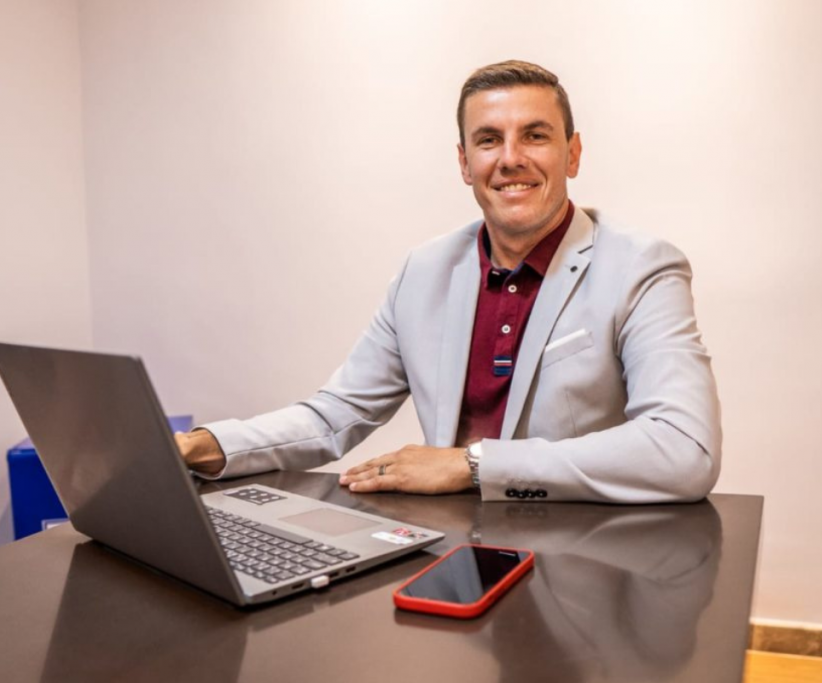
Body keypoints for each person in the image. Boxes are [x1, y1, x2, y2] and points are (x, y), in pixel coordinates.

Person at [176, 60, 721, 503]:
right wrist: (198, 447)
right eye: (488, 140)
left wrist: (471, 464)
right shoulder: (424, 271)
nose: (511, 159)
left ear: (572, 154)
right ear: (464, 163)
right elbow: (336, 414)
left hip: (584, 557)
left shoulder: (642, 267)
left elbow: (683, 449)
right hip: (452, 551)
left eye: (535, 136)